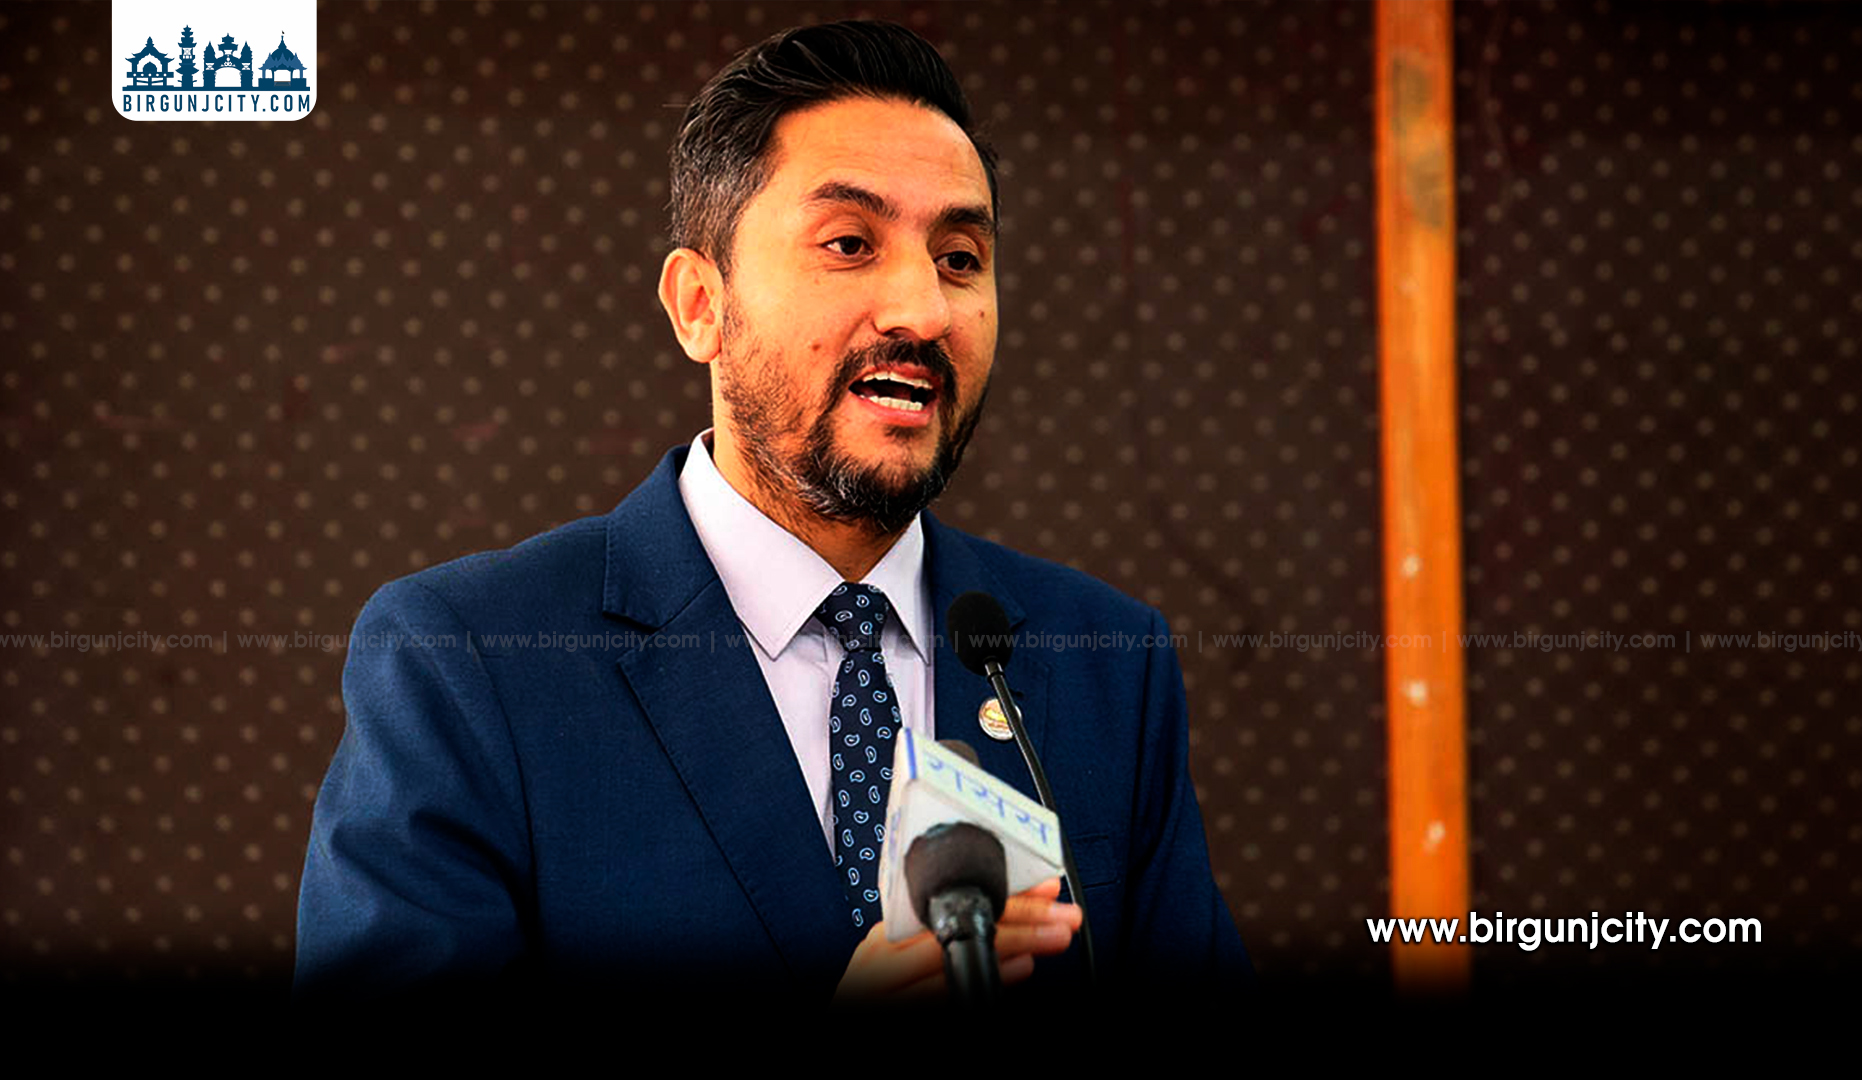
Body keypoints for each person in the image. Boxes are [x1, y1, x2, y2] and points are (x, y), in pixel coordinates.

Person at [295, 19, 1249, 1004]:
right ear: (699, 305)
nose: (923, 310)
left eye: (961, 258)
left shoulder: (1105, 662)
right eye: (850, 244)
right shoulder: (470, 659)